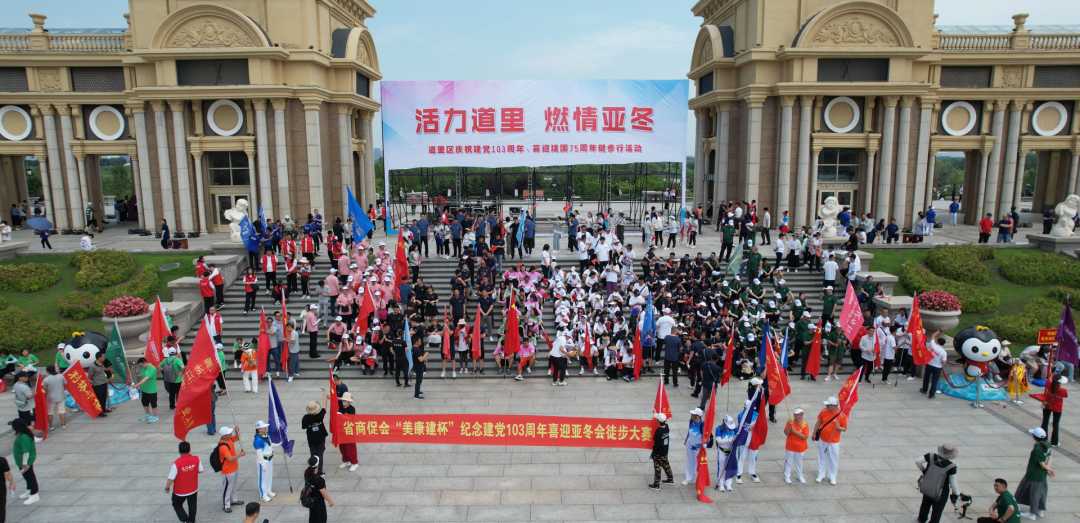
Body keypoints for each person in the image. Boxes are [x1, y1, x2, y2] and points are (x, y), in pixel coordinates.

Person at [1015, 427, 1054, 520]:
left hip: (1034, 475)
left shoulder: (1037, 448)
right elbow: (1050, 458)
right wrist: (1048, 469)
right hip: (1041, 475)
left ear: (1034, 437)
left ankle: (1032, 513)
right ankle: (1039, 510)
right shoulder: (1046, 445)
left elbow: (1041, 463)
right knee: (1041, 493)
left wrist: (1048, 469)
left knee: (1034, 494)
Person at [915, 443, 959, 523]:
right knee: (937, 510)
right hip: (941, 491)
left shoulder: (931, 456)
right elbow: (953, 482)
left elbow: (918, 461)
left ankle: (922, 519)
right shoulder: (951, 467)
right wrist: (956, 493)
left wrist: (924, 471)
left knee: (925, 503)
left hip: (928, 486)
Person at [812, 396, 847, 485]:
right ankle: (821, 474)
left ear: (834, 406)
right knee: (822, 457)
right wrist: (814, 433)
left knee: (833, 459)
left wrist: (839, 427)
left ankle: (832, 476)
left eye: (828, 405)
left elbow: (845, 428)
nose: (826, 406)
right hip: (823, 439)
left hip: (834, 441)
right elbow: (819, 422)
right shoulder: (824, 411)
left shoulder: (841, 415)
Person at [166, 441, 203, 523]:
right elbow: (200, 470)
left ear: (179, 451)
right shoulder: (196, 458)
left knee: (176, 504)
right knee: (192, 505)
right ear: (190, 450)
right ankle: (192, 520)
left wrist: (167, 487)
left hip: (180, 491)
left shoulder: (176, 464)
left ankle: (186, 520)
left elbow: (171, 479)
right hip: (193, 488)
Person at [217, 426, 245, 514]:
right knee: (228, 488)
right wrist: (240, 455)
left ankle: (234, 499)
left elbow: (236, 438)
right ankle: (226, 505)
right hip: (228, 470)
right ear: (223, 436)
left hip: (234, 468)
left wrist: (237, 432)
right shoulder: (223, 447)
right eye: (229, 433)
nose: (230, 434)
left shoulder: (229, 439)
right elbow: (230, 459)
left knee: (234, 485)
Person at [12, 418, 38, 505]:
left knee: (30, 476)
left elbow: (26, 451)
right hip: (21, 461)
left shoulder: (24, 437)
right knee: (26, 476)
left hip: (25, 462)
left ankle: (34, 493)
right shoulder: (22, 434)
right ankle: (29, 488)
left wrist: (25, 464)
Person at [302, 394, 329, 476]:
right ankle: (320, 472)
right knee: (320, 455)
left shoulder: (305, 418)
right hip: (320, 438)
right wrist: (324, 393)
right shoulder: (320, 416)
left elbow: (304, 427)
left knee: (313, 455)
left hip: (311, 439)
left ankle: (312, 471)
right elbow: (325, 405)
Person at [647, 413, 674, 490]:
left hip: (658, 453)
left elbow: (656, 444)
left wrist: (654, 453)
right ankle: (670, 479)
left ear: (658, 421)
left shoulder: (658, 431)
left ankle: (656, 484)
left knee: (657, 468)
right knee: (666, 465)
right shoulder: (667, 428)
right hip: (665, 451)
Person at [252, 420, 277, 502]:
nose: (265, 428)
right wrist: (262, 463)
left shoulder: (267, 435)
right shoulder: (257, 440)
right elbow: (259, 453)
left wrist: (278, 444)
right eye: (263, 427)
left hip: (270, 458)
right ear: (258, 429)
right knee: (263, 478)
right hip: (264, 460)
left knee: (269, 476)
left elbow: (270, 444)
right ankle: (263, 494)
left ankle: (268, 491)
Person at [783, 407, 810, 484]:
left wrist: (795, 432)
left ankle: (799, 475)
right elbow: (786, 433)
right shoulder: (790, 422)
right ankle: (787, 475)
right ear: (794, 415)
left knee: (799, 462)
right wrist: (789, 426)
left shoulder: (805, 425)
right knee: (788, 462)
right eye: (798, 415)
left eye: (801, 415)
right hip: (790, 446)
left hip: (801, 448)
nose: (799, 417)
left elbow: (805, 437)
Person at [304, 455, 333, 523]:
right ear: (317, 465)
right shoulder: (319, 479)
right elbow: (323, 492)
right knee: (321, 519)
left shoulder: (306, 474)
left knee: (313, 518)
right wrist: (329, 501)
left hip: (310, 500)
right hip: (318, 502)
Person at [1040, 376, 1067, 447]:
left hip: (1048, 405)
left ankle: (1043, 438)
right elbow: (1066, 396)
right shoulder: (1063, 390)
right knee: (1055, 425)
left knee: (1045, 422)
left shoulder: (1049, 384)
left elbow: (1049, 379)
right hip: (1057, 408)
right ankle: (1054, 442)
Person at [920, 329, 948, 400]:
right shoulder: (944, 352)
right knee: (934, 381)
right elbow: (944, 362)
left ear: (937, 342)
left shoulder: (933, 345)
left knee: (926, 378)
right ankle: (931, 394)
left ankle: (924, 390)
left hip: (929, 365)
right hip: (937, 367)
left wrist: (940, 330)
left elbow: (933, 336)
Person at [336, 392, 359, 472]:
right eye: (343, 400)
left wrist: (342, 416)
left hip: (349, 430)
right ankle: (345, 460)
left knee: (350, 447)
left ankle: (354, 462)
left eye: (345, 400)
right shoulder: (341, 408)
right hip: (341, 430)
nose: (344, 402)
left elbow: (351, 419)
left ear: (349, 401)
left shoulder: (352, 409)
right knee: (342, 447)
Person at [133, 357, 160, 423]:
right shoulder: (144, 368)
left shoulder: (152, 369)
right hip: (144, 389)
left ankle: (154, 416)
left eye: (141, 365)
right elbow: (143, 376)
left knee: (153, 403)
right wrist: (140, 375)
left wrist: (137, 385)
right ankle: (148, 414)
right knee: (144, 402)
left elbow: (146, 379)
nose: (141, 367)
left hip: (151, 389)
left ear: (145, 363)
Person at [682, 408, 704, 485]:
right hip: (689, 445)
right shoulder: (691, 421)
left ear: (698, 416)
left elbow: (706, 437)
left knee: (698, 465)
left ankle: (699, 481)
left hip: (698, 448)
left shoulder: (703, 425)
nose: (692, 416)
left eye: (693, 415)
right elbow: (689, 431)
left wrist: (704, 446)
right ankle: (689, 478)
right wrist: (686, 440)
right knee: (690, 462)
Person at [42, 366, 67, 430]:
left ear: (48, 371)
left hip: (50, 397)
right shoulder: (61, 376)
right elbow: (65, 383)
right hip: (60, 395)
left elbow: (44, 389)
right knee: (62, 410)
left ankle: (51, 426)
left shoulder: (46, 380)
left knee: (49, 412)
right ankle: (63, 424)